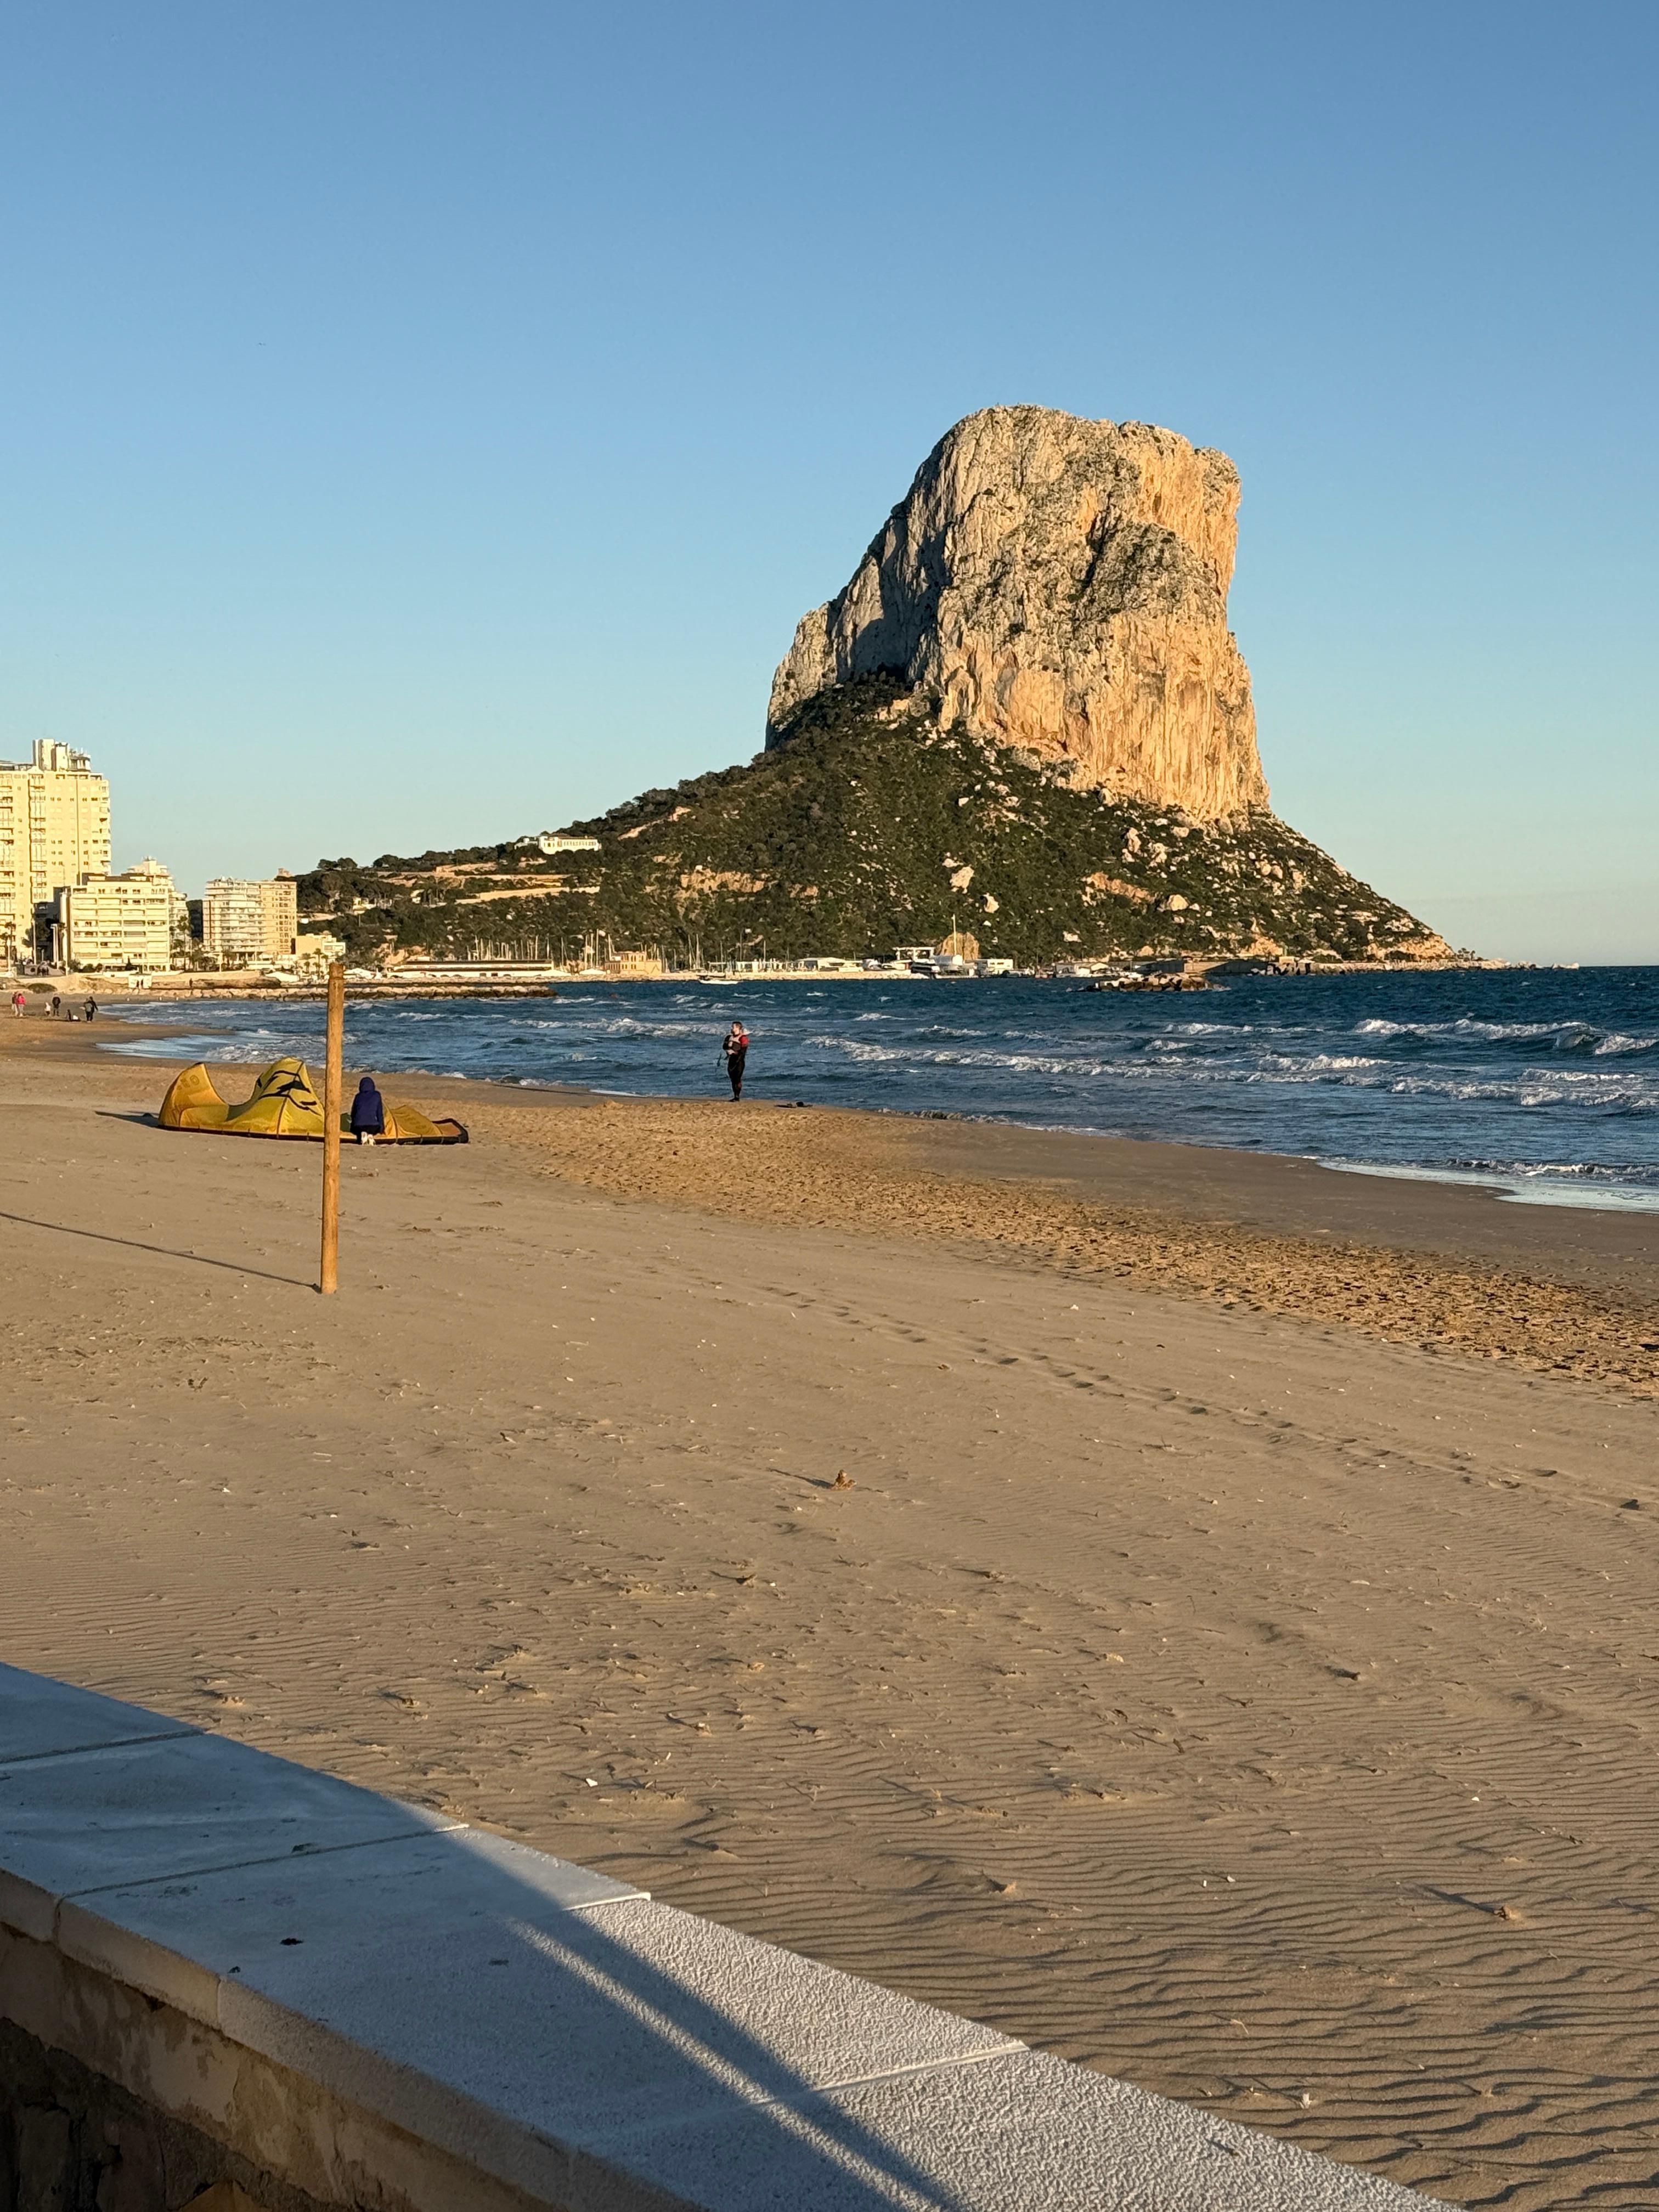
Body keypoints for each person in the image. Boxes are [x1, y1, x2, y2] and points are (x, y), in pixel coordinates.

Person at [350, 1074, 386, 1147]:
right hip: (373, 1126)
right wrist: (382, 1128)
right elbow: (379, 1113)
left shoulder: (358, 1096)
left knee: (357, 1129)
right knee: (375, 1127)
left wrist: (352, 1125)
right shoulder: (377, 1095)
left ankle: (364, 1134)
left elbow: (353, 1113)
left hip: (359, 1126)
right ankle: (370, 1135)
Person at [720, 1020, 749, 1101]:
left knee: (737, 1079)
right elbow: (724, 1047)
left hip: (739, 1061)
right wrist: (728, 1049)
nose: (731, 1029)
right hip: (731, 1061)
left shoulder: (743, 1038)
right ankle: (735, 1095)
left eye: (733, 1027)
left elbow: (743, 1052)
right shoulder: (729, 1037)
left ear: (738, 1028)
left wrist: (735, 1053)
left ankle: (737, 1096)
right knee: (732, 1079)